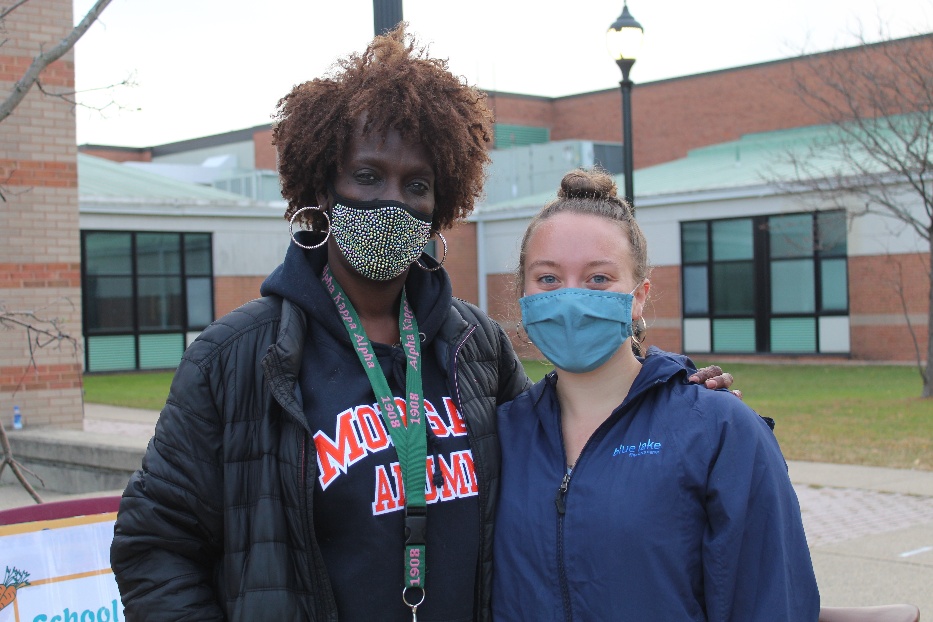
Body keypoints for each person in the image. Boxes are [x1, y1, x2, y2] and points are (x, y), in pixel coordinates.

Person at [109, 27, 734, 621]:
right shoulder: (236, 357)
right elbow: (153, 544)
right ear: (323, 189)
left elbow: (561, 452)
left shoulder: (476, 347)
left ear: (443, 202)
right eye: (367, 175)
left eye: (417, 184)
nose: (392, 200)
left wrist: (668, 398)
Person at [491, 169, 819, 621]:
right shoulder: (502, 434)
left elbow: (771, 602)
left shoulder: (719, 430)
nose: (570, 298)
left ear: (639, 296)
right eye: (547, 279)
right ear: (523, 294)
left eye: (599, 279)